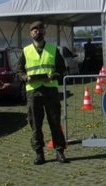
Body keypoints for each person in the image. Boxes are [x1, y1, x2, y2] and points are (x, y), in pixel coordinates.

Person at [16, 21, 69, 165]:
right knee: (35, 124)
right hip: (33, 92)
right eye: (34, 29)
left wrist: (54, 75)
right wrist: (25, 77)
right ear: (30, 33)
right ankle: (39, 154)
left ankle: (59, 151)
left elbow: (62, 68)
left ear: (44, 32)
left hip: (50, 90)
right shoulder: (26, 51)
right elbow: (19, 71)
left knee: (55, 122)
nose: (36, 31)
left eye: (39, 29)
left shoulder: (53, 49)